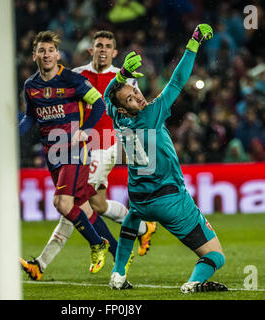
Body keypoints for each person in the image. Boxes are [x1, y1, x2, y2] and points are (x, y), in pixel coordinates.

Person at [20, 30, 156, 281]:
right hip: (75, 145)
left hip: (104, 144)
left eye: (108, 46)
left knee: (71, 203)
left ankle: (43, 262)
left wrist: (138, 144)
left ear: (115, 52)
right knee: (96, 205)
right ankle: (140, 227)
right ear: (91, 50)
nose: (103, 50)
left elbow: (138, 109)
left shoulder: (122, 77)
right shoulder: (79, 74)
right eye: (98, 46)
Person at [105, 24, 228, 293]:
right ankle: (194, 283)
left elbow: (107, 97)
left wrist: (121, 75)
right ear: (126, 107)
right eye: (131, 98)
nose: (138, 96)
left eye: (134, 90)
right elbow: (177, 80)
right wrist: (193, 42)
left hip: (139, 199)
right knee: (216, 256)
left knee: (131, 219)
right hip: (170, 200)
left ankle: (117, 274)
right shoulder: (151, 114)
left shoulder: (116, 117)